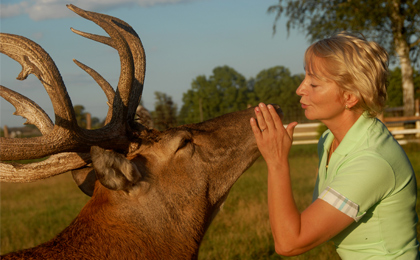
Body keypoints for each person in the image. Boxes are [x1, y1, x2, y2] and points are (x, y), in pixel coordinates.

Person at [250, 31, 419, 259]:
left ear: (350, 97)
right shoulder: (329, 141)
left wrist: (277, 161)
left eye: (314, 84)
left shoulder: (371, 161)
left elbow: (290, 243)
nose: (300, 89)